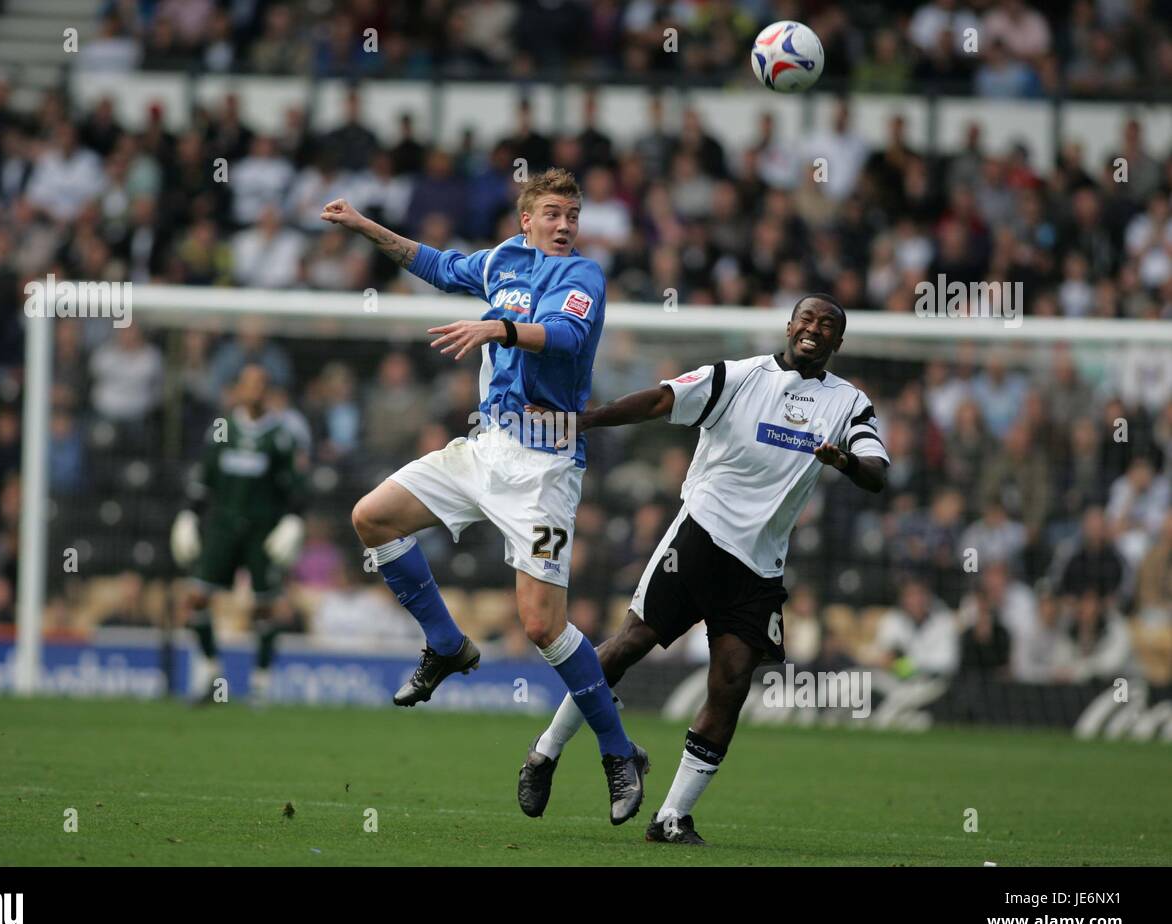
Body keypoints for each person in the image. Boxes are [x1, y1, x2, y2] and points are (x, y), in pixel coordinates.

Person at [320, 168, 649, 826]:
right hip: (485, 446)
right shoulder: (501, 259)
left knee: (541, 626)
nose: (565, 225)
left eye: (573, 215)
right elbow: (438, 265)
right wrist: (365, 228)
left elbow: (568, 338)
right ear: (526, 219)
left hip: (546, 464)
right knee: (372, 517)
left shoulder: (584, 278)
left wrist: (494, 329)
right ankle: (445, 644)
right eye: (553, 213)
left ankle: (619, 752)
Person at [518, 294, 889, 844]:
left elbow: (878, 474)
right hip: (700, 537)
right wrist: (582, 422)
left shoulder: (849, 404)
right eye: (807, 318)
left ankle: (670, 818)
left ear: (839, 341)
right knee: (628, 645)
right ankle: (544, 753)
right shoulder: (737, 377)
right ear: (789, 326)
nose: (814, 328)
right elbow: (658, 401)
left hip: (760, 567)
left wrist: (846, 462)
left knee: (732, 684)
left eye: (828, 324)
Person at [170, 363, 308, 704]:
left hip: (262, 531)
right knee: (196, 598)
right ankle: (209, 672)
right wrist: (189, 515)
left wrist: (292, 520)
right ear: (238, 389)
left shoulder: (281, 435)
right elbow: (205, 479)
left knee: (265, 606)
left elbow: (295, 487)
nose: (254, 391)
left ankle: (260, 683)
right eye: (248, 384)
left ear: (268, 390)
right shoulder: (222, 428)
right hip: (222, 526)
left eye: (261, 384)